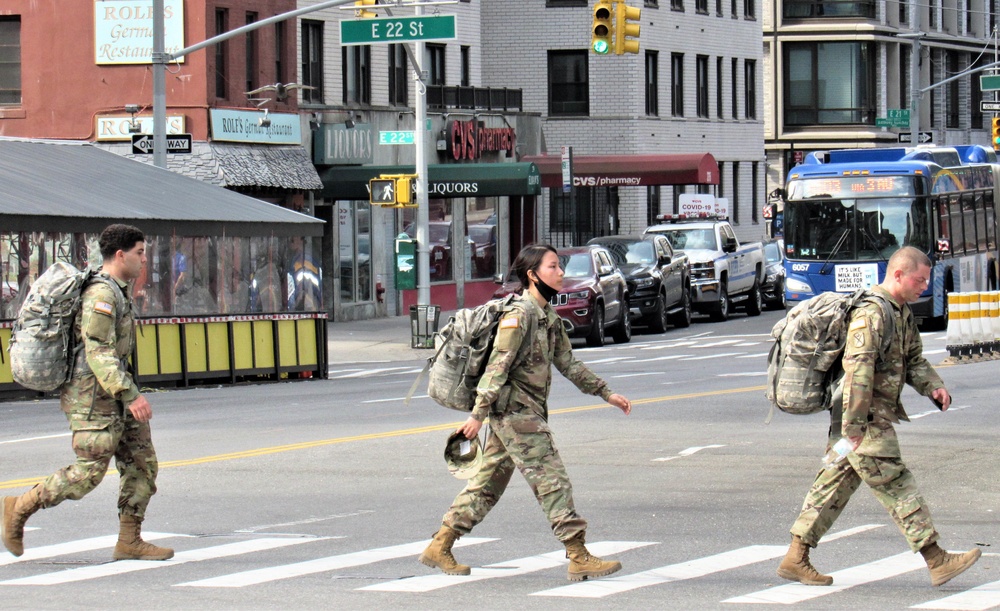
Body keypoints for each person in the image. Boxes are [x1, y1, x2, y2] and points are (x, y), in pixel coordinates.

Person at [419, 243, 633, 582]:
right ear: (533, 275)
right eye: (552, 267)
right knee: (553, 480)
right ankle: (578, 555)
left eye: (559, 266)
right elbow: (497, 367)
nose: (560, 272)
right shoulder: (519, 315)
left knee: (487, 484)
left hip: (520, 414)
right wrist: (477, 415)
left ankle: (440, 544)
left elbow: (568, 363)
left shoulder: (547, 316)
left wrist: (606, 392)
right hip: (516, 415)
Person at [777, 246, 980, 588]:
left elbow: (913, 357)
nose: (924, 286)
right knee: (896, 483)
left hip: (860, 421)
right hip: (863, 419)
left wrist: (934, 387)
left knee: (834, 482)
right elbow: (857, 370)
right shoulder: (872, 313)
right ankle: (936, 558)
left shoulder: (900, 311)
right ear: (898, 275)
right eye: (919, 279)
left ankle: (796, 556)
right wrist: (853, 428)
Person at [1, 224, 173, 561]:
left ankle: (129, 540)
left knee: (142, 465)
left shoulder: (117, 289)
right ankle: (19, 507)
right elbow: (97, 351)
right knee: (88, 472)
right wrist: (130, 394)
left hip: (115, 393)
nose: (144, 260)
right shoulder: (102, 295)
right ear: (120, 255)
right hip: (93, 398)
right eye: (140, 253)